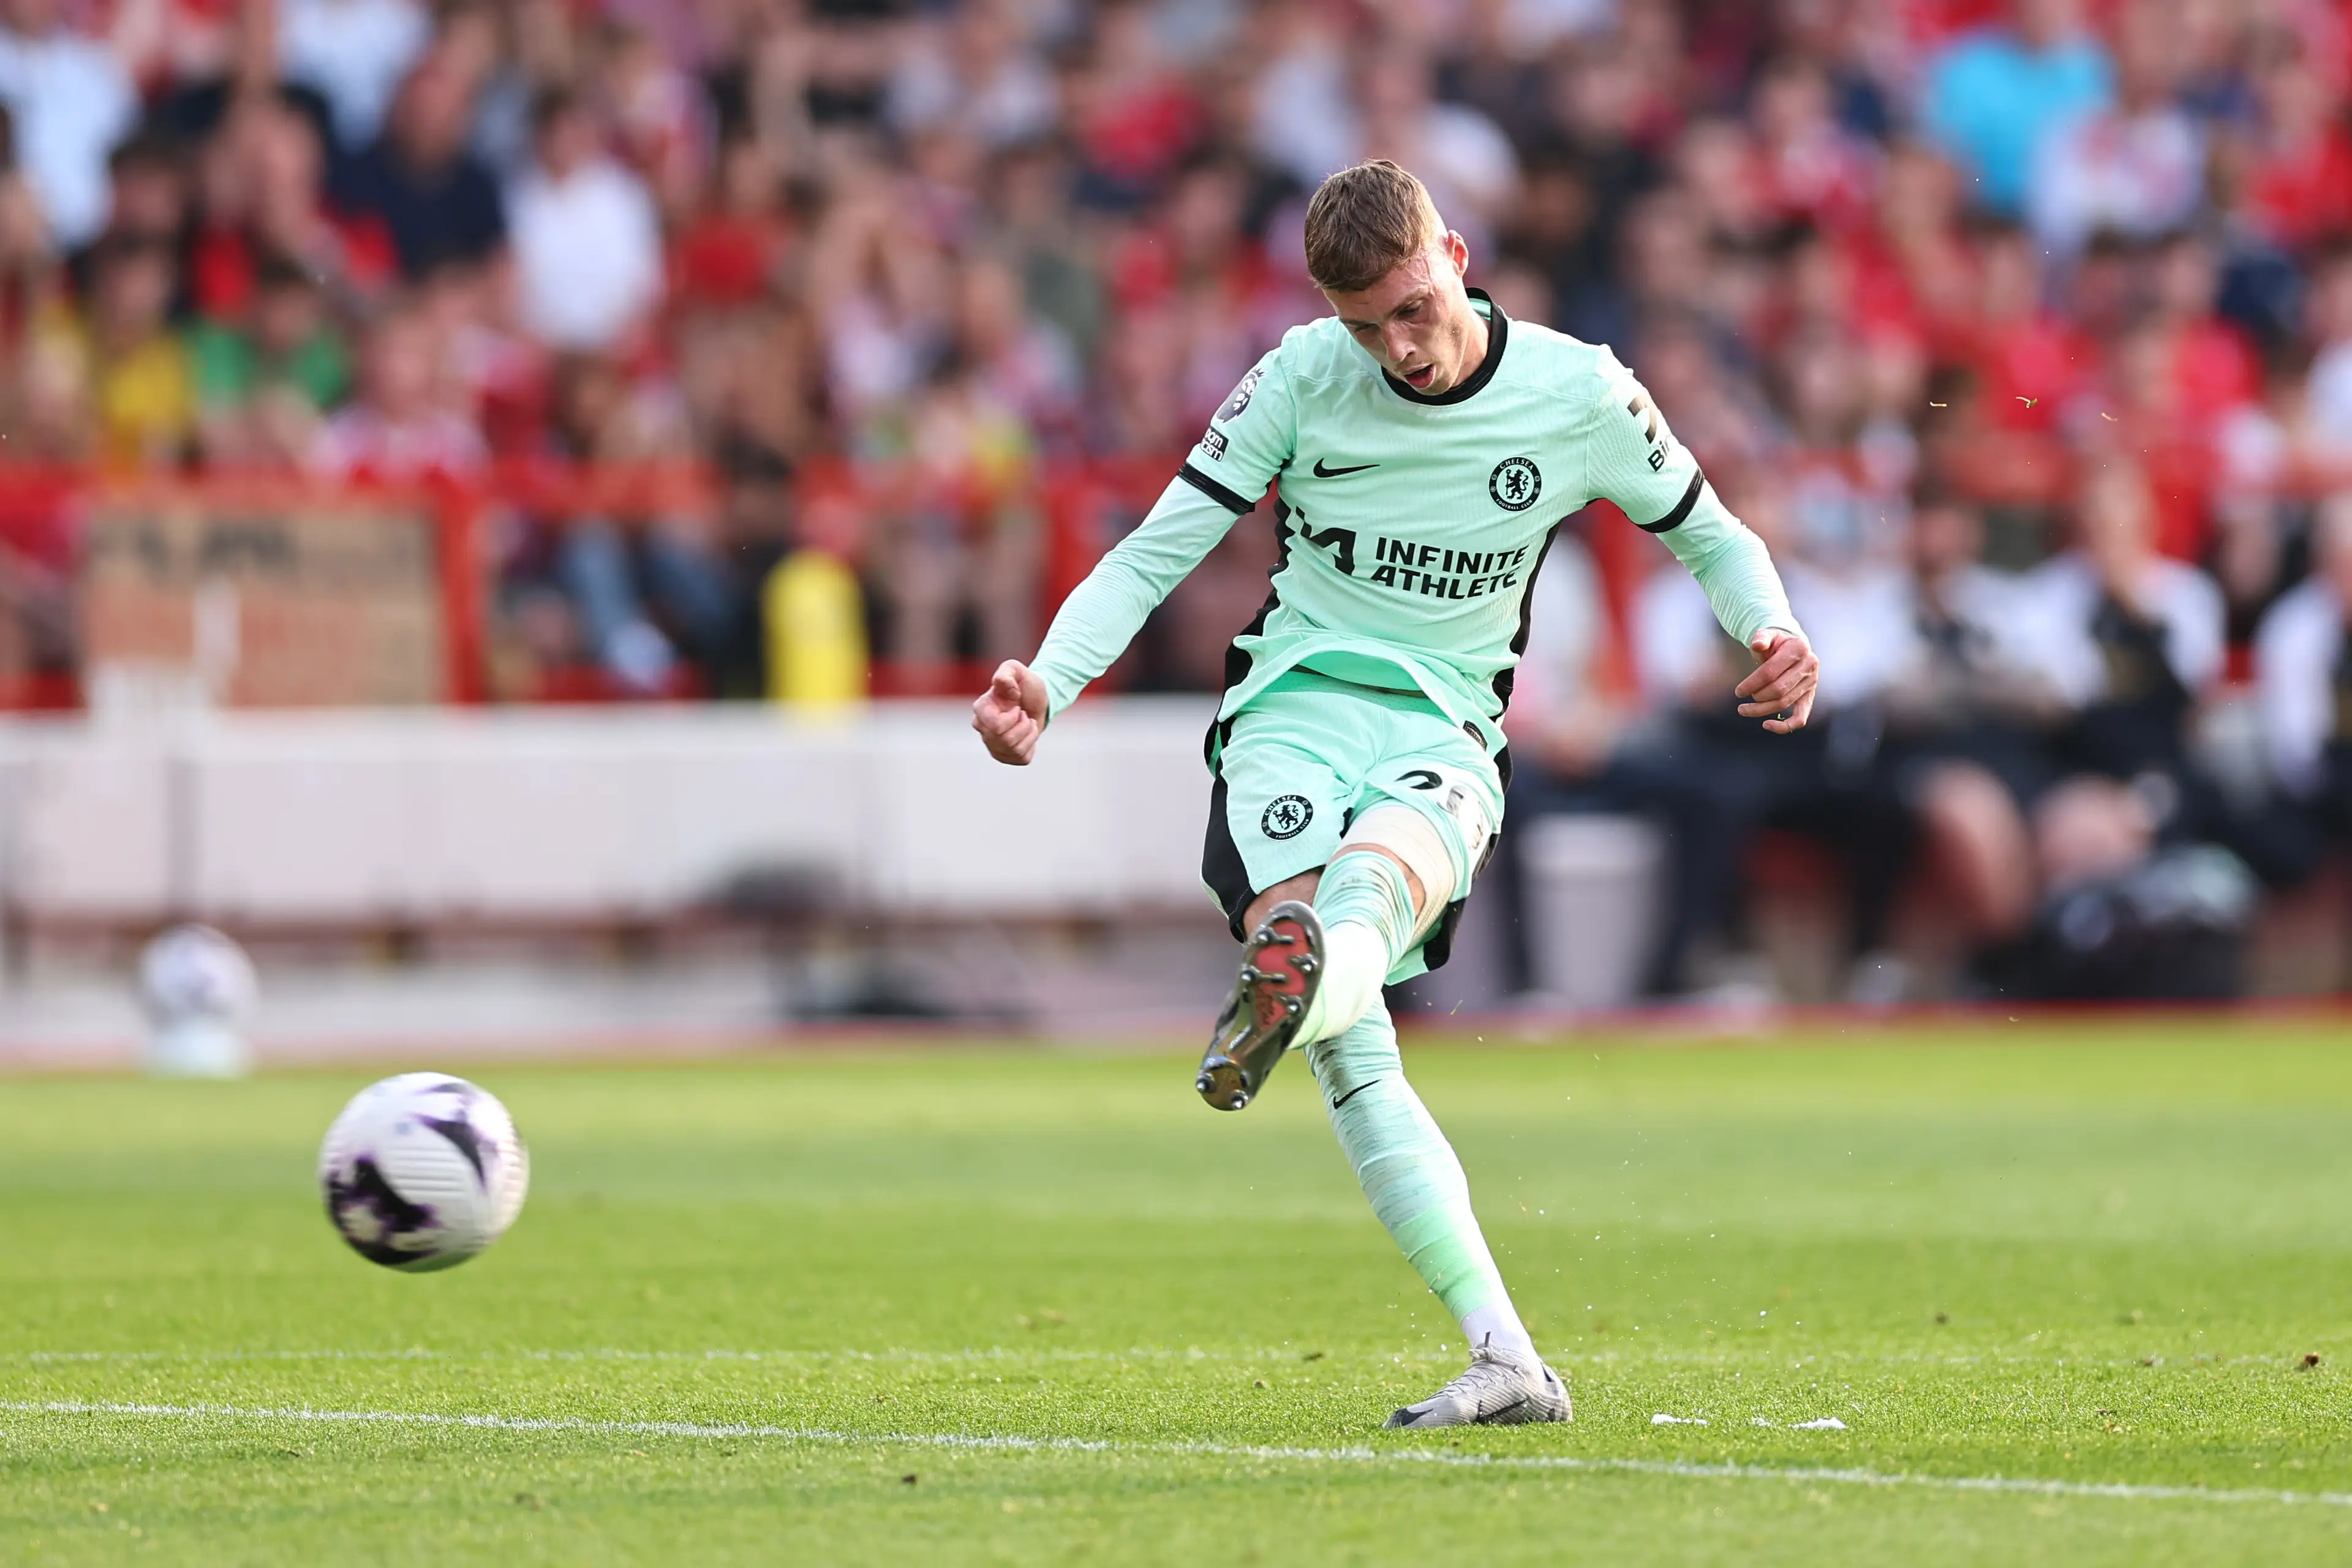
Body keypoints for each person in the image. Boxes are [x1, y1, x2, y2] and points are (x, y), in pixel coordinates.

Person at [970, 160, 1819, 1430]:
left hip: (1445, 724)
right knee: (1354, 1045)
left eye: (1413, 309)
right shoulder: (1301, 377)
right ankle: (1509, 1356)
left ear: (1457, 255)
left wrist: (1772, 624)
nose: (1398, 348)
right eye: (1367, 325)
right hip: (1292, 714)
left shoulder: (1578, 391)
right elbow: (1161, 544)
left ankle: (1305, 983)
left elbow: (1708, 529)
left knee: (1351, 923)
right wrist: (1049, 676)